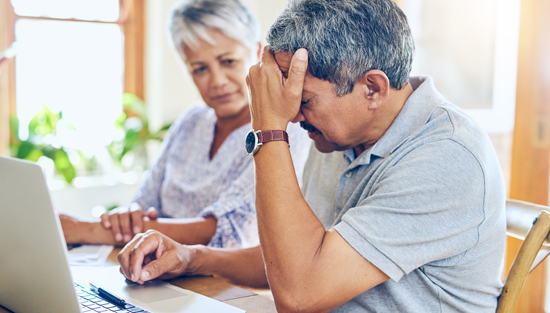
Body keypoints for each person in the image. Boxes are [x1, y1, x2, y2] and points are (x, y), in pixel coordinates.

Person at [118, 0, 507, 311]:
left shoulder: (446, 158)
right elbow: (297, 257)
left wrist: (269, 129)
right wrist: (192, 257)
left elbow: (300, 294)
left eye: (302, 100)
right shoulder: (340, 134)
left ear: (372, 88)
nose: (293, 114)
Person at [60, 0, 309, 286]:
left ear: (255, 53)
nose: (217, 81)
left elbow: (230, 232)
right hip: (154, 277)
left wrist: (85, 229)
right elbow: (143, 203)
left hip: (222, 286)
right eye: (199, 68)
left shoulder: (284, 130)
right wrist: (127, 218)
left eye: (227, 61)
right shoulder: (191, 120)